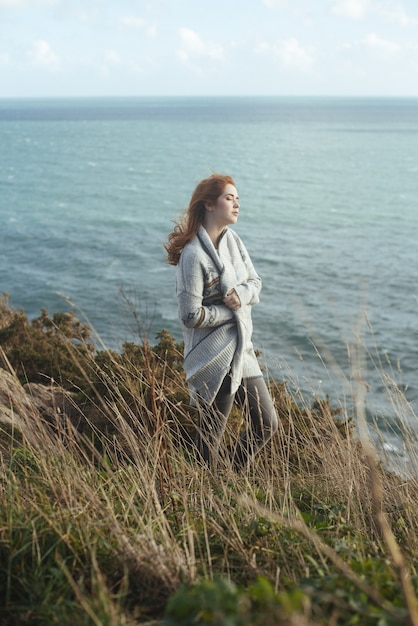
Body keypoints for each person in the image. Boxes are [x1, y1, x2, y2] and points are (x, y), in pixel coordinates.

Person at [165, 174, 278, 470]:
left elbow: (255, 281)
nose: (237, 203)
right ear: (209, 204)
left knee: (266, 422)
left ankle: (230, 476)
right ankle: (212, 495)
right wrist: (230, 311)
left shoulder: (233, 240)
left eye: (237, 198)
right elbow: (190, 316)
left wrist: (241, 294)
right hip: (214, 355)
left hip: (242, 349)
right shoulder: (193, 256)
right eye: (230, 198)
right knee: (209, 441)